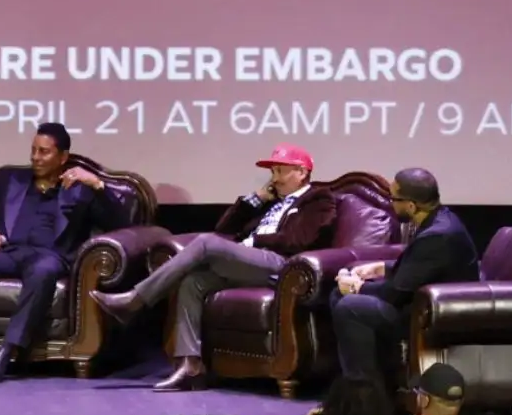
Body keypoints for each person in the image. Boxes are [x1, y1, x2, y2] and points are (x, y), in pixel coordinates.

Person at [90, 142, 339, 391]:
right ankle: (190, 367)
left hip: (282, 264)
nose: (275, 178)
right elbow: (224, 228)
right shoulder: (271, 201)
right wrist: (256, 199)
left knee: (206, 242)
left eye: (281, 171)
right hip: (250, 263)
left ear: (302, 172)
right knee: (193, 283)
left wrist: (256, 240)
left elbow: (300, 239)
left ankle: (136, 300)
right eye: (273, 171)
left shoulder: (318, 199)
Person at [0, 123, 110, 385]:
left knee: (43, 271)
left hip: (49, 256)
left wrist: (97, 183)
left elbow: (120, 223)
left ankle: (6, 352)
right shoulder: (9, 179)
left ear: (63, 157)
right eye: (34, 150)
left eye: (44, 152)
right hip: (8, 250)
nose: (35, 157)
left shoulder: (80, 190)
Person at [318, 167, 478, 415]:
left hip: (432, 317)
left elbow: (396, 292)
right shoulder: (437, 220)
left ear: (411, 205)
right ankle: (360, 387)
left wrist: (358, 287)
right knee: (341, 296)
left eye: (394, 198)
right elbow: (421, 269)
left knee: (351, 305)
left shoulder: (438, 234)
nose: (391, 204)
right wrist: (380, 267)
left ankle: (367, 398)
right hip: (421, 304)